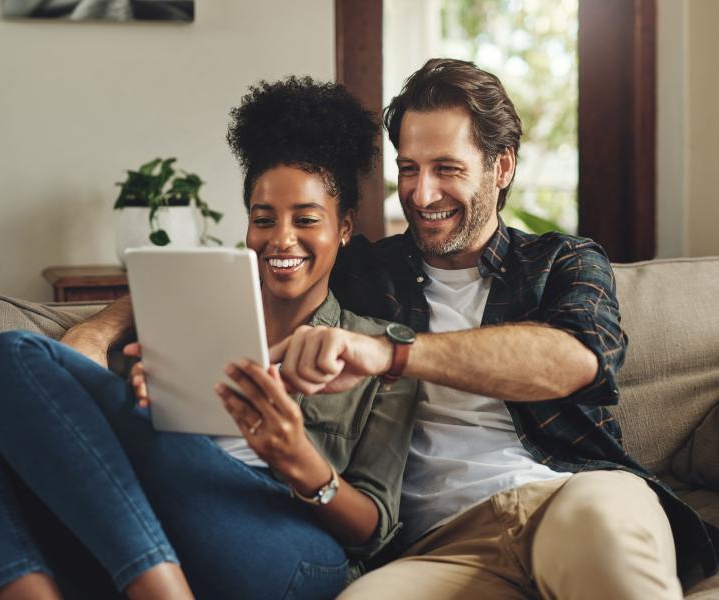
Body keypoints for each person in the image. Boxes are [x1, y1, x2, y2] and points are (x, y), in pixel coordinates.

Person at [263, 59, 719, 599]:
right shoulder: (364, 272)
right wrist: (133, 316)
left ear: (501, 168)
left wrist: (393, 354)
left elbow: (577, 361)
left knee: (607, 547)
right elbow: (252, 270)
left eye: (447, 169)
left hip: (570, 498)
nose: (422, 194)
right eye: (408, 168)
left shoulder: (563, 262)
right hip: (440, 544)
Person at [0, 77, 420, 600]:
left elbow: (375, 530)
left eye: (306, 220)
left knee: (14, 351)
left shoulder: (376, 352)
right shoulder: (187, 310)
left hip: (291, 553)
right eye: (263, 219)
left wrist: (297, 458)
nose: (281, 239)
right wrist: (141, 397)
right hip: (166, 524)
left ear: (343, 227)